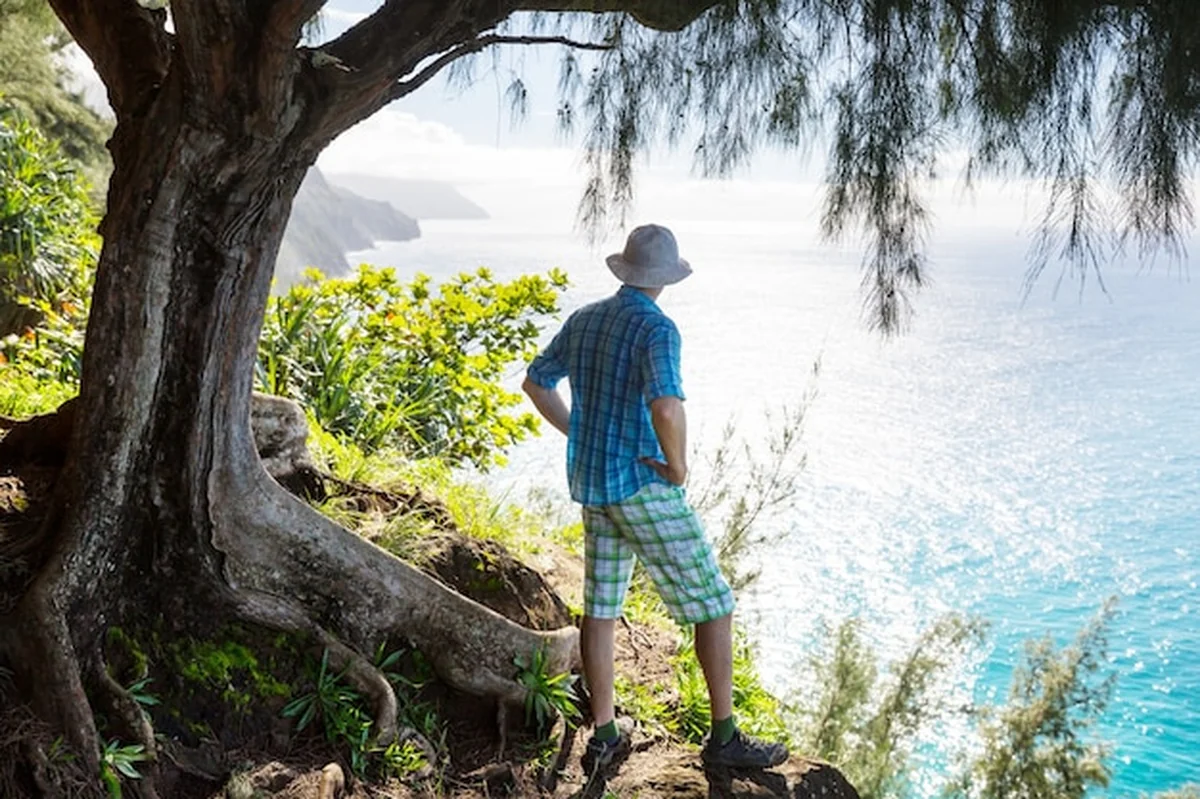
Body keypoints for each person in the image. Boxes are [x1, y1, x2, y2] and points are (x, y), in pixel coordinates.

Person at [522, 224, 789, 779]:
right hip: (643, 487)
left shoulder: (585, 319)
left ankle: (606, 735)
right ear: (665, 278)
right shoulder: (657, 329)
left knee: (601, 607)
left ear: (625, 269)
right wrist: (679, 465)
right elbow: (666, 407)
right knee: (714, 603)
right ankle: (723, 737)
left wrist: (579, 431)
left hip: (594, 486)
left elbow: (536, 382)